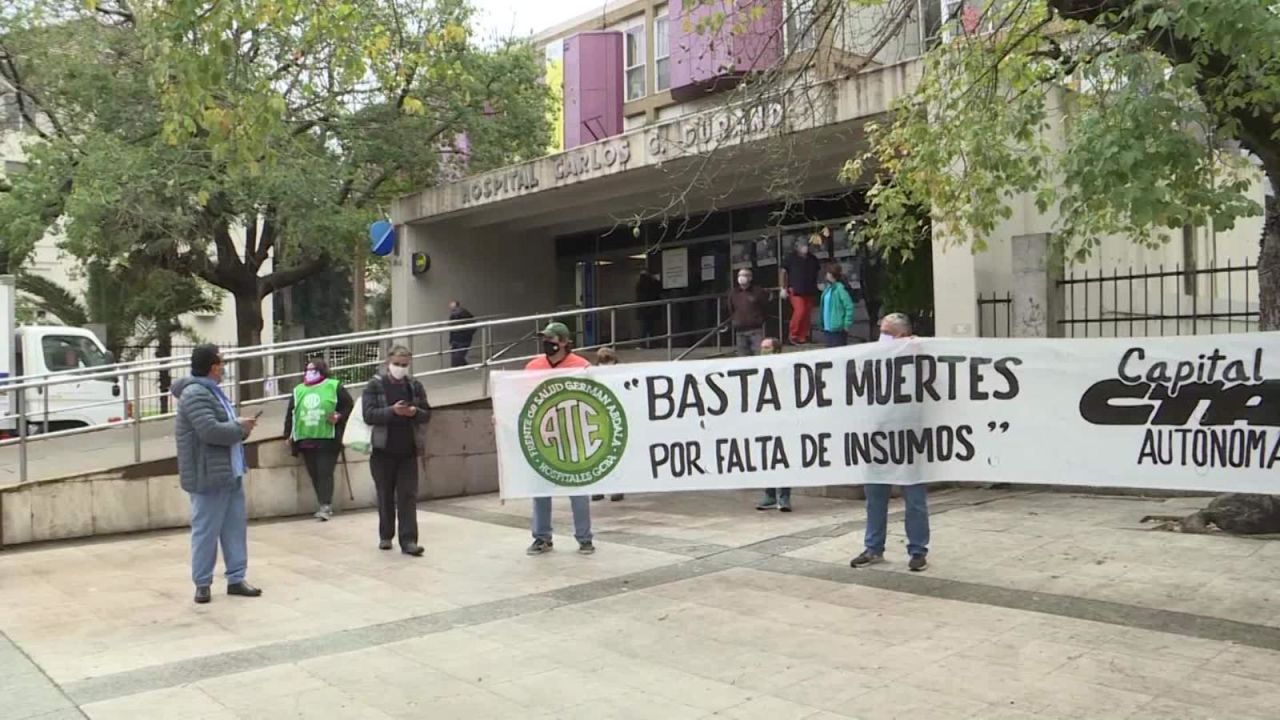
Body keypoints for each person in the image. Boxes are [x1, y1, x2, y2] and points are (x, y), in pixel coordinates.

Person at [173, 345, 261, 604]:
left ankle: (236, 578)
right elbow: (209, 431)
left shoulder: (212, 391)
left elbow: (219, 424)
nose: (224, 367)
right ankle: (202, 583)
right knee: (206, 531)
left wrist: (237, 424)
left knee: (234, 528)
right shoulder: (195, 394)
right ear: (213, 366)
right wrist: (240, 428)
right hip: (208, 475)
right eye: (221, 362)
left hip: (229, 472)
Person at [850, 313, 930, 572]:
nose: (881, 336)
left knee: (915, 499)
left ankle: (918, 551)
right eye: (880, 330)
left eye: (887, 332)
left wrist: (916, 350)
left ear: (903, 336)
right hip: (878, 436)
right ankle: (873, 548)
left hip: (910, 437)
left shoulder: (920, 355)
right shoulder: (873, 357)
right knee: (875, 497)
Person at [525, 322, 595, 555]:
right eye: (545, 339)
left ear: (565, 342)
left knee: (578, 490)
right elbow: (520, 398)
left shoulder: (582, 366)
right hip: (542, 436)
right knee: (541, 490)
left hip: (574, 436)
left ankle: (585, 538)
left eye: (552, 339)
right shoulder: (534, 367)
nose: (547, 344)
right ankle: (542, 537)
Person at [362, 346, 431, 557]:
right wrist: (392, 411)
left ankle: (409, 540)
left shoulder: (414, 386)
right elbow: (369, 414)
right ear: (388, 363)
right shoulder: (375, 386)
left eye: (404, 365)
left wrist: (413, 412)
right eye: (397, 364)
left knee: (408, 495)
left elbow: (427, 413)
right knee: (385, 494)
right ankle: (386, 535)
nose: (400, 368)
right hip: (383, 450)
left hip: (408, 450)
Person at [283, 358, 354, 522]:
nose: (310, 372)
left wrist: (339, 416)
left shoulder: (334, 386)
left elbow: (348, 404)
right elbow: (291, 413)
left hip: (328, 437)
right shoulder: (298, 390)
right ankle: (322, 503)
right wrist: (287, 434)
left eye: (313, 369)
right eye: (308, 369)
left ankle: (325, 505)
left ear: (322, 371)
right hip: (306, 438)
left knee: (325, 472)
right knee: (314, 473)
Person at [754, 337, 792, 512]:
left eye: (767, 347)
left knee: (783, 458)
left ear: (776, 350)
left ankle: (784, 497)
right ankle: (769, 495)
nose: (763, 350)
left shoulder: (785, 368)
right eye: (762, 347)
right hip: (763, 421)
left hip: (783, 421)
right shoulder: (756, 368)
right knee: (766, 458)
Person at [591, 347, 624, 503]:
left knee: (609, 453)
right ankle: (603, 489)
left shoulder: (619, 373)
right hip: (600, 418)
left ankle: (611, 488)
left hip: (610, 417)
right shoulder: (593, 373)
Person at [781, 240, 822, 345]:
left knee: (807, 314)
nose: (805, 248)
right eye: (802, 246)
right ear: (797, 247)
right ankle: (793, 335)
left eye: (806, 245)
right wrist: (783, 288)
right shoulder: (790, 258)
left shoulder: (812, 259)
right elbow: (783, 272)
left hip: (809, 290)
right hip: (795, 289)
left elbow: (818, 272)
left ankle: (803, 336)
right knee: (800, 311)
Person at [728, 268, 769, 357]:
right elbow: (731, 309)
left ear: (750, 278)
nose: (741, 277)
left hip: (756, 330)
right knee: (743, 358)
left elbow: (764, 307)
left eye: (745, 275)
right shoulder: (734, 293)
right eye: (739, 275)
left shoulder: (758, 291)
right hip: (740, 331)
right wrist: (735, 321)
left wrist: (760, 320)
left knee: (759, 355)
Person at [820, 263, 856, 348]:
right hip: (828, 327)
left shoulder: (840, 289)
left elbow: (849, 306)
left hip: (837, 328)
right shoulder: (828, 288)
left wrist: (847, 323)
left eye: (827, 272)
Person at [635, 270, 662, 349]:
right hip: (650, 308)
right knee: (649, 327)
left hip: (644, 309)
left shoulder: (640, 285)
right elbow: (657, 290)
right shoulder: (650, 283)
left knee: (646, 327)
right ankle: (651, 343)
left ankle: (644, 344)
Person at [448, 301, 476, 368]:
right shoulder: (457, 314)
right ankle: (461, 364)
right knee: (457, 352)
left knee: (457, 353)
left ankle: (458, 365)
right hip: (459, 337)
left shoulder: (459, 314)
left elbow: (452, 328)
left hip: (461, 337)